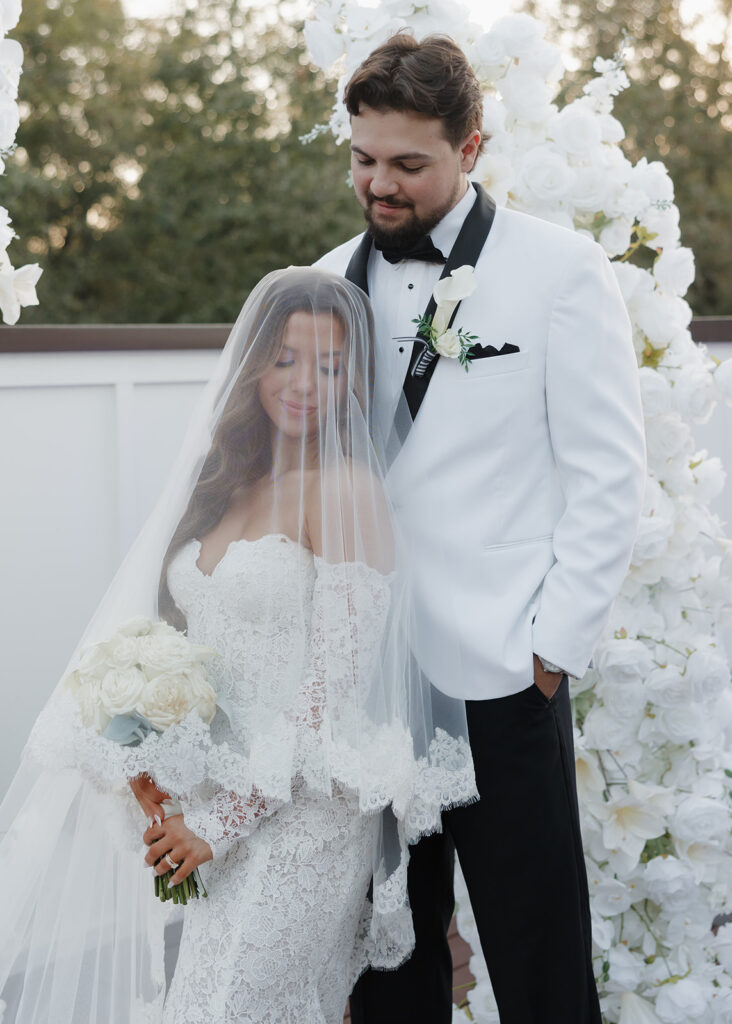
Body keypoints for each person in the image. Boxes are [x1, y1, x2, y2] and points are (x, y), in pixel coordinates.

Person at [0, 268, 476, 1024]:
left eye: (329, 365)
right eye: (285, 357)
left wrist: (217, 828)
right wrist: (145, 759)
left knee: (224, 1009)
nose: (303, 383)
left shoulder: (345, 489)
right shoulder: (224, 484)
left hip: (306, 812)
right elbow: (176, 646)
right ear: (253, 360)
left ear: (354, 380)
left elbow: (332, 693)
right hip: (211, 801)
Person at [315, 33, 646, 1024]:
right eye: (365, 158)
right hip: (372, 689)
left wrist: (552, 649)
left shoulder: (560, 269)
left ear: (472, 149)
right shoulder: (324, 280)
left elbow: (606, 474)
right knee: (390, 972)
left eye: (408, 163)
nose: (380, 183)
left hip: (505, 676)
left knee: (541, 969)